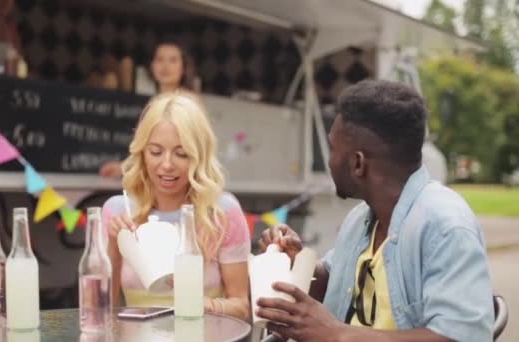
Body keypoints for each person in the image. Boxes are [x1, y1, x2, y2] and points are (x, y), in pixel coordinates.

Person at [256, 80, 494, 341]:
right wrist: (296, 261)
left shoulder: (446, 227)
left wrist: (337, 335)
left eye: (333, 149)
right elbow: (336, 280)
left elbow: (461, 336)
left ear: (358, 164)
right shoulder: (360, 218)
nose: (330, 161)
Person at [102, 92, 250, 321]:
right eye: (156, 152)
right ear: (142, 152)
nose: (167, 164)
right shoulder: (117, 210)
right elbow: (101, 311)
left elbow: (241, 307)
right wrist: (114, 245)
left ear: (199, 157)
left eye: (181, 154)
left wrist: (200, 305)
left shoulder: (223, 212)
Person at [99, 41, 197, 178]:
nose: (165, 66)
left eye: (173, 60)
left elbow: (191, 149)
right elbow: (147, 147)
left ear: (184, 67)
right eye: (160, 59)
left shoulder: (188, 101)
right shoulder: (154, 102)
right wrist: (124, 166)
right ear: (152, 65)